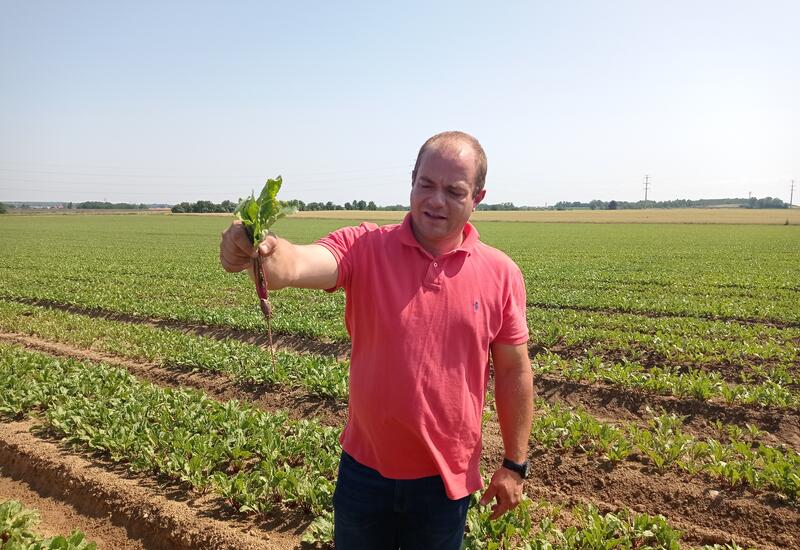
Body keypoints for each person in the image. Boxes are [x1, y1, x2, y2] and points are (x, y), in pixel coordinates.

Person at [219, 131, 534, 549]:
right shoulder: (365, 246)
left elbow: (514, 370)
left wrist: (514, 464)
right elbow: (298, 264)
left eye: (454, 191)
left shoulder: (501, 273)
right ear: (412, 181)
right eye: (426, 184)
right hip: (365, 473)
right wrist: (261, 251)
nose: (435, 200)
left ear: (477, 197)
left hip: (446, 481)